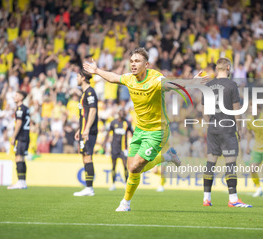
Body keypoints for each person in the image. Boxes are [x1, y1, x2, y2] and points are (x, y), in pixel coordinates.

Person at [83, 47, 198, 211]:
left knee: (135, 166)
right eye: (131, 61)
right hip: (140, 130)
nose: (133, 64)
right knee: (132, 169)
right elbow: (114, 77)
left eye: (137, 61)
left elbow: (173, 85)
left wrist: (192, 82)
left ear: (147, 64)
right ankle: (168, 156)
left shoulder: (156, 79)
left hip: (157, 131)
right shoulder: (130, 79)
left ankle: (125, 203)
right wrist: (96, 71)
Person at [202, 58, 252, 208]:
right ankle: (233, 199)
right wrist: (240, 127)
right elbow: (237, 110)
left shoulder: (208, 85)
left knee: (210, 162)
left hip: (213, 128)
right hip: (228, 128)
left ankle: (206, 199)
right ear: (228, 67)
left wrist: (210, 124)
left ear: (217, 68)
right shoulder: (232, 85)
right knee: (230, 164)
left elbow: (204, 112)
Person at [73, 69, 98, 197]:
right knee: (84, 157)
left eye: (77, 76)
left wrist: (87, 128)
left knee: (88, 156)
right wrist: (80, 128)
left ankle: (89, 188)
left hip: (89, 131)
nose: (76, 78)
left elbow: (93, 111)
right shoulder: (84, 94)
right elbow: (85, 114)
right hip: (83, 130)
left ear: (83, 78)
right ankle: (88, 187)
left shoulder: (90, 92)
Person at [103, 107, 133, 191]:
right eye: (121, 112)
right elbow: (108, 133)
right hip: (114, 147)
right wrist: (104, 143)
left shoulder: (127, 123)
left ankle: (126, 183)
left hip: (124, 148)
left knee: (125, 166)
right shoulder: (113, 122)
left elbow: (133, 133)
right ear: (118, 113)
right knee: (113, 166)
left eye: (124, 112)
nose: (122, 113)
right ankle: (113, 184)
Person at [8, 91, 30, 190]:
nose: (14, 96)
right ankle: (23, 182)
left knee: (18, 158)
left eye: (16, 95)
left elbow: (19, 123)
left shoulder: (20, 109)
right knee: (21, 158)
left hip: (21, 137)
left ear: (21, 97)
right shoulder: (26, 108)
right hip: (25, 136)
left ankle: (20, 182)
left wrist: (13, 137)